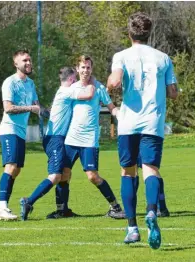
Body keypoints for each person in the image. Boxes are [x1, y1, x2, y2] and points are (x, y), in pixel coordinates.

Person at [107, 12, 178, 249]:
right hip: (153, 123)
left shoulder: (121, 56)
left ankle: (132, 229)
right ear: (149, 32)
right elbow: (173, 92)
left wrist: (109, 84)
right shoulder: (163, 58)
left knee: (128, 172)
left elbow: (115, 82)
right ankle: (151, 211)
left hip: (128, 123)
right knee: (150, 169)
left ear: (130, 32)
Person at [19, 67, 95, 221]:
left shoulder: (63, 92)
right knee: (55, 176)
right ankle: (29, 201)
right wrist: (91, 82)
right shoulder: (67, 91)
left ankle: (62, 210)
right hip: (55, 139)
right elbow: (88, 94)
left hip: (60, 138)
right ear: (72, 79)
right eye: (76, 78)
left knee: (65, 174)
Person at [61, 55, 126, 219]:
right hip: (71, 139)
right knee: (64, 174)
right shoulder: (73, 88)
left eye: (88, 67)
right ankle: (62, 209)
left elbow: (111, 107)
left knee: (92, 176)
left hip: (89, 140)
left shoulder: (99, 88)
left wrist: (120, 115)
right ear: (77, 69)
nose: (85, 70)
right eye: (82, 67)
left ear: (92, 69)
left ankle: (115, 207)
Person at [0, 49, 41, 220]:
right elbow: (8, 108)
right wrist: (30, 108)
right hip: (9, 129)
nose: (28, 63)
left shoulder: (30, 84)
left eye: (29, 60)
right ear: (16, 64)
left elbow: (37, 106)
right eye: (24, 61)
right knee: (11, 166)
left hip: (20, 132)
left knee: (17, 170)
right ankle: (2, 207)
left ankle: (4, 207)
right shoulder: (10, 82)